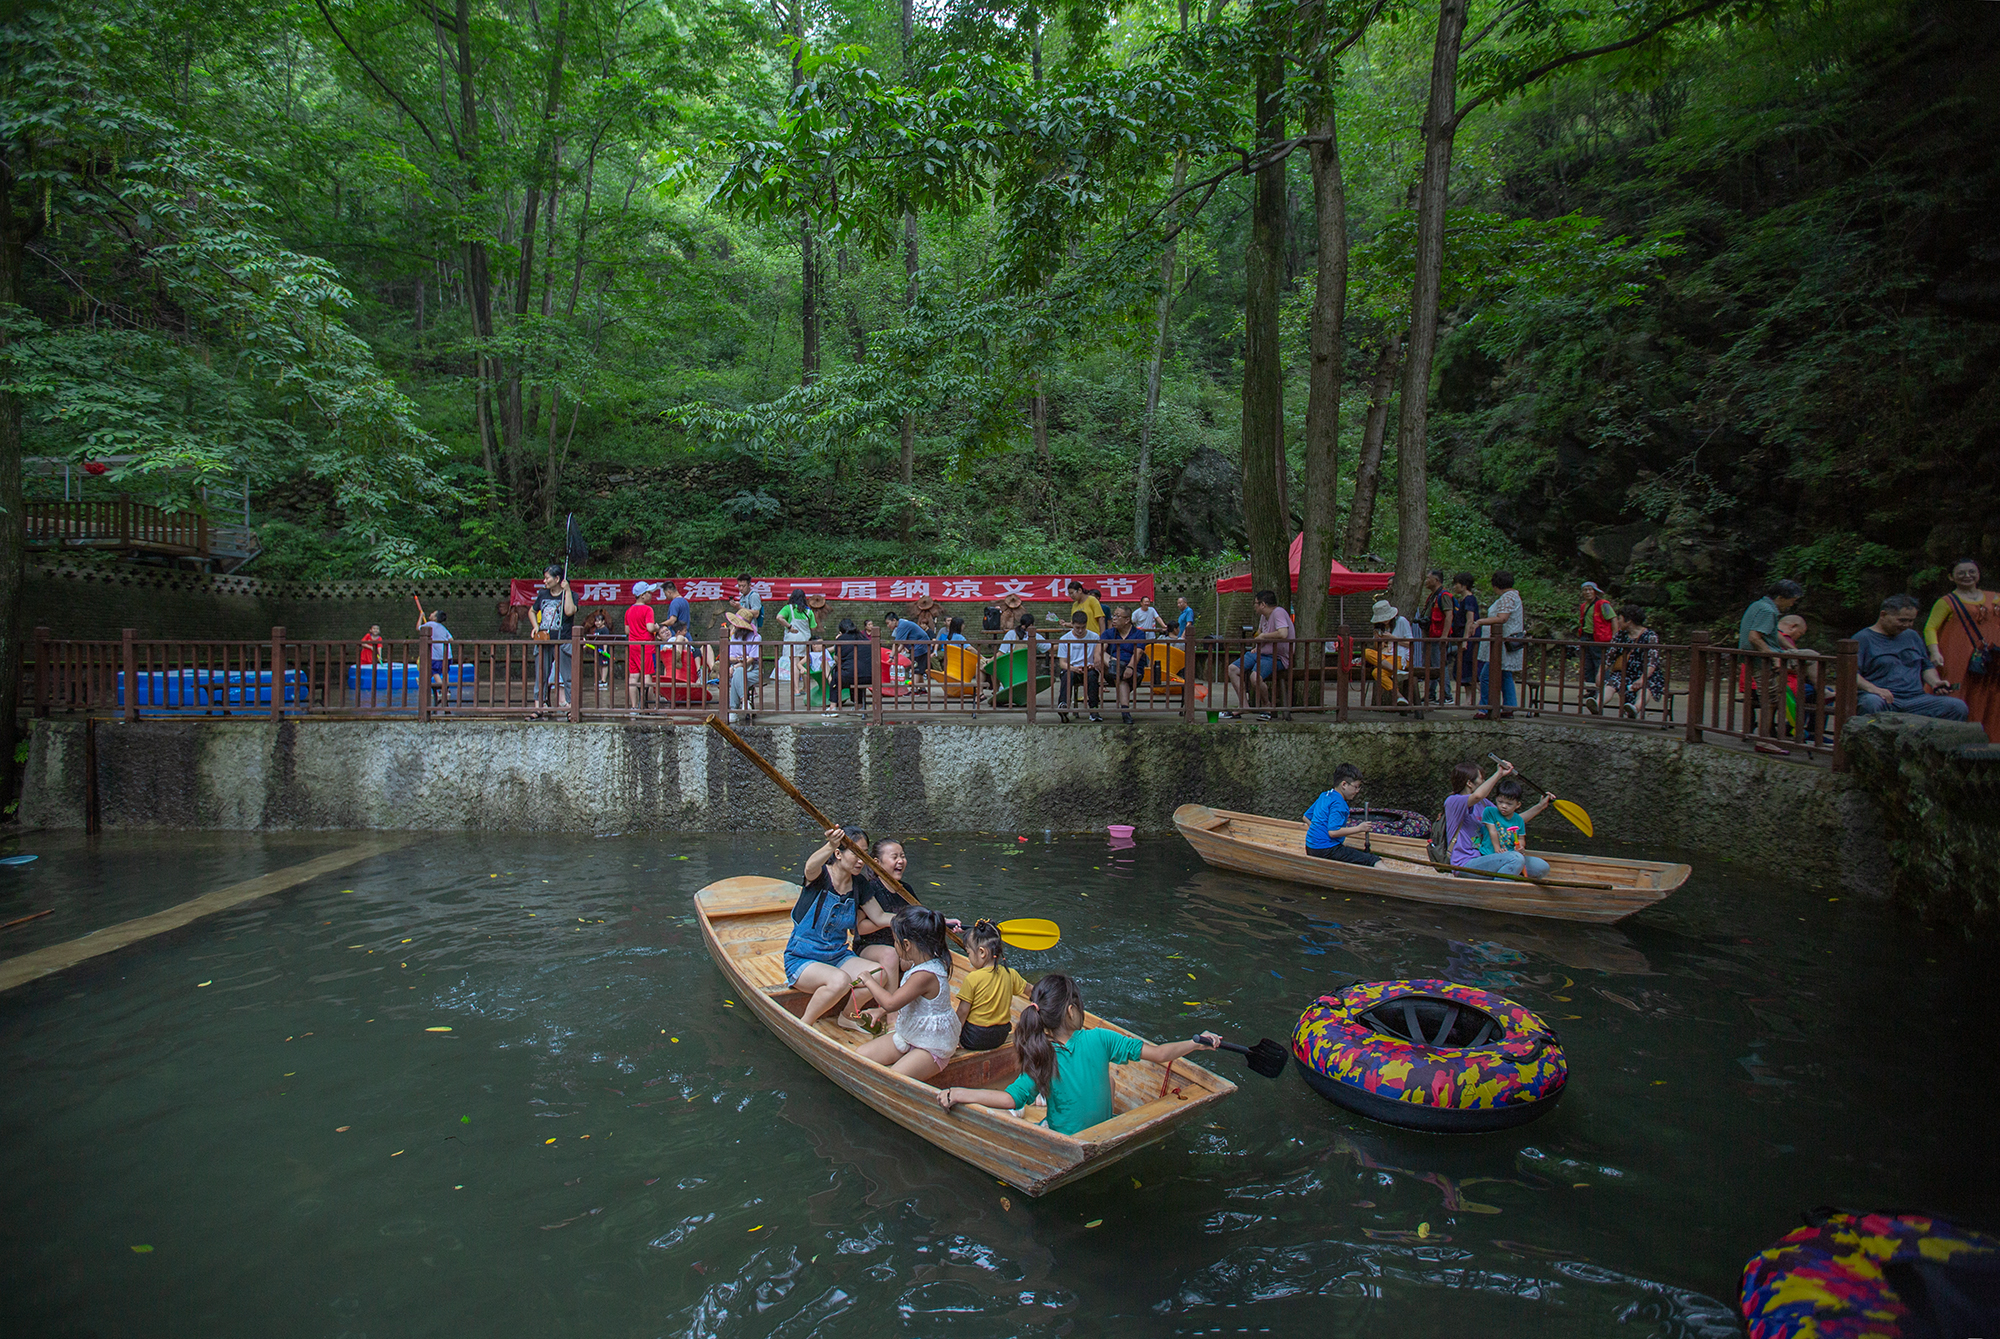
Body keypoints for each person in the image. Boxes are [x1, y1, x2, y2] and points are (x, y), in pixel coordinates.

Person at [936, 974, 1221, 1136]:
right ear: (1072, 1010)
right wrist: (1195, 1043)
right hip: (1105, 1131)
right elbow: (1159, 1054)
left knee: (1021, 1107)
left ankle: (1038, 1101)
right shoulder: (1101, 1037)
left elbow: (1008, 1098)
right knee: (1108, 1080)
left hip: (1066, 1137)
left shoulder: (1042, 1055)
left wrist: (960, 1092)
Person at [849, 907, 960, 1079]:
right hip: (911, 1034)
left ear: (907, 944)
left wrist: (869, 981)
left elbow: (891, 1003)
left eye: (895, 941)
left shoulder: (925, 975)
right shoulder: (922, 961)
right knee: (859, 1056)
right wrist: (880, 1011)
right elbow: (905, 999)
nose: (894, 945)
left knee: (893, 1079)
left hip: (932, 1045)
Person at [786, 827, 881, 1027]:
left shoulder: (859, 884)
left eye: (864, 854)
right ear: (838, 854)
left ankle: (847, 1016)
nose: (861, 860)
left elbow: (879, 916)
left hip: (837, 956)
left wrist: (912, 918)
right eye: (856, 853)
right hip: (803, 958)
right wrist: (830, 844)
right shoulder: (820, 875)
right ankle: (805, 1024)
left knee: (878, 975)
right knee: (839, 980)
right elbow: (809, 867)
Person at [1854, 594, 1969, 722]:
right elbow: (1851, 674)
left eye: (1911, 621)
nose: (1907, 625)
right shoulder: (1863, 639)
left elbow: (1926, 666)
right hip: (1882, 697)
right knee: (1871, 702)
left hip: (1915, 698)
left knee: (1957, 707)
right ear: (1883, 615)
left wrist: (1935, 682)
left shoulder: (1912, 636)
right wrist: (1875, 690)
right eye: (1902, 620)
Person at [1924, 557, 1999, 739]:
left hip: (1992, 656)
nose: (1967, 576)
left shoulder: (1995, 597)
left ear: (1979, 574)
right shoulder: (1947, 601)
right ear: (1951, 577)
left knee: (1992, 692)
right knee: (1960, 690)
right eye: (1961, 573)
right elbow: (1930, 627)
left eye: (1972, 572)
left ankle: (1992, 737)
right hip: (1958, 655)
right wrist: (1934, 651)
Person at [849, 838, 912, 1026]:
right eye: (894, 857)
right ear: (877, 863)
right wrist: (890, 921)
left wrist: (945, 922)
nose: (900, 860)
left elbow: (919, 916)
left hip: (898, 946)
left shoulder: (905, 889)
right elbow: (858, 928)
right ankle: (892, 1016)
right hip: (869, 947)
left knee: (926, 950)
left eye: (902, 856)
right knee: (890, 954)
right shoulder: (870, 889)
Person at [955, 920, 1031, 1052]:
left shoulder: (972, 978)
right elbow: (1032, 991)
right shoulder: (1010, 974)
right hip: (1000, 1036)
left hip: (974, 1038)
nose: (969, 957)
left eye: (969, 953)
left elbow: (962, 1012)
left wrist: (954, 1036)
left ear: (982, 952)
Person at [1441, 758, 1519, 877]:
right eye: (1482, 778)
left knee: (1540, 867)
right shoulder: (1453, 801)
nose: (1484, 781)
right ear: (1469, 783)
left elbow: (1512, 821)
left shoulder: (1483, 804)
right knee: (1514, 858)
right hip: (1464, 863)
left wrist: (1540, 806)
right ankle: (1497, 892)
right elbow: (1477, 795)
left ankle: (1497, 884)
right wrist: (1498, 774)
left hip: (1485, 858)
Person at [1223, 589, 1293, 720]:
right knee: (1233, 669)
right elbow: (1260, 632)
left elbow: (1283, 633)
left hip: (1276, 656)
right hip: (1261, 652)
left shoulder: (1278, 612)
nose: (1254, 606)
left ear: (1263, 604)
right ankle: (1244, 705)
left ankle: (1267, 706)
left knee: (1255, 678)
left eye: (1256, 603)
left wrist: (1264, 636)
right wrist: (1257, 645)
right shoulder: (1263, 617)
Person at [1302, 762, 1383, 867]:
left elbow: (1306, 817)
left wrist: (1317, 832)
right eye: (1356, 787)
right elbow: (1333, 832)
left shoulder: (1325, 795)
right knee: (1373, 859)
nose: (1357, 791)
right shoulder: (1339, 803)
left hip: (1310, 847)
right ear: (1344, 784)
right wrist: (1359, 828)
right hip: (1326, 850)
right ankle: (1393, 879)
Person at [1474, 776, 1554, 879]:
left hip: (1511, 857)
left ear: (1518, 805)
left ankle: (1510, 876)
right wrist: (1497, 849)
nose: (1504, 806)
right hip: (1490, 855)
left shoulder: (1519, 820)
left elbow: (1521, 838)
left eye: (1509, 804)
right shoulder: (1490, 811)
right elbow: (1492, 831)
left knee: (1542, 866)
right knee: (1515, 860)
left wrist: (1520, 847)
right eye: (1500, 802)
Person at [1469, 570, 1523, 719]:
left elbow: (1502, 618)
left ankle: (1485, 707)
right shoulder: (1513, 596)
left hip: (1502, 645)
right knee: (1505, 675)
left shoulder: (1508, 597)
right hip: (1504, 644)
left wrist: (1479, 622)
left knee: (1486, 676)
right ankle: (1509, 706)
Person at [1599, 604, 1664, 719]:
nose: (1618, 621)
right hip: (1626, 671)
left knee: (1646, 687)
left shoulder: (1650, 636)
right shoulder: (1621, 635)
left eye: (1620, 618)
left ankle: (1635, 708)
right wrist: (1600, 673)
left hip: (1646, 673)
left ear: (1628, 621)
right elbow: (1609, 656)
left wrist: (1642, 678)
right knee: (1612, 682)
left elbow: (1652, 661)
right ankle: (1598, 703)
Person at [530, 565, 577, 712]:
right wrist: (535, 626)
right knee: (541, 674)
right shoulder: (543, 594)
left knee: (567, 675)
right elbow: (532, 611)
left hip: (563, 639)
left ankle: (571, 706)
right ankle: (539, 705)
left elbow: (569, 611)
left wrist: (567, 590)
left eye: (547, 578)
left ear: (557, 579)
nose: (545, 581)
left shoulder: (571, 595)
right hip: (544, 640)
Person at [1098, 606, 1147, 724]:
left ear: (1127, 620)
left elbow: (1138, 652)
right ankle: (1125, 712)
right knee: (1116, 671)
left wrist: (1130, 667)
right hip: (1112, 668)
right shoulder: (1108, 633)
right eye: (1114, 615)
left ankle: (1125, 711)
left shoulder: (1139, 634)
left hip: (1133, 669)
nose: (1113, 619)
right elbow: (1101, 650)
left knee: (1121, 677)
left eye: (1117, 616)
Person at [1363, 598, 1414, 707]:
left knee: (1376, 672)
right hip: (1384, 656)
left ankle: (1397, 689)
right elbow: (1377, 649)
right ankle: (1399, 693)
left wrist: (1393, 638)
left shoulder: (1401, 621)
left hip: (1399, 655)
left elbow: (1410, 643)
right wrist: (1378, 640)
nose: (1385, 620)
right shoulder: (1379, 627)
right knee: (1367, 652)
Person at [1055, 610, 1101, 722]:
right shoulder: (1065, 639)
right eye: (1077, 628)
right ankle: (1063, 706)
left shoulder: (1094, 637)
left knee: (1092, 676)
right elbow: (1062, 663)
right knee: (1067, 675)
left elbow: (1097, 657)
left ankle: (1094, 709)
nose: (1080, 631)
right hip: (1072, 668)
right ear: (1072, 624)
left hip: (1088, 669)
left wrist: (1092, 665)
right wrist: (1074, 668)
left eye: (1083, 627)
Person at [1738, 579, 1805, 655]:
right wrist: (1773, 657)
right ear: (1780, 598)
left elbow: (1775, 633)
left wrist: (1793, 649)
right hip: (1760, 658)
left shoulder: (1757, 605)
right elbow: (1754, 637)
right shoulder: (1768, 611)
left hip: (1753, 655)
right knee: (1812, 655)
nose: (1791, 604)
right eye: (1791, 601)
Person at [723, 599, 762, 725]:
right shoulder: (734, 636)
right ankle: (744, 702)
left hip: (753, 671)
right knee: (738, 673)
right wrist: (739, 661)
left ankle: (733, 710)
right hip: (736, 668)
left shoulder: (756, 637)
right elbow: (729, 657)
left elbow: (751, 659)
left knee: (737, 673)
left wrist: (736, 666)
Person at [1577, 582, 1617, 703]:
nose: (1587, 592)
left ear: (1595, 591)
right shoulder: (1584, 606)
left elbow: (1613, 619)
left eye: (1590, 589)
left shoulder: (1603, 604)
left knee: (1600, 664)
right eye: (1585, 590)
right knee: (1587, 665)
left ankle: (1603, 690)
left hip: (1599, 639)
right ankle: (1591, 690)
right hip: (1586, 637)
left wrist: (1615, 638)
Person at [1418, 571, 1451, 704]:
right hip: (1429, 636)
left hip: (1437, 637)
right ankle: (1430, 694)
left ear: (1436, 580)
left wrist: (1444, 636)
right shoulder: (1432, 596)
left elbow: (1449, 615)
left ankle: (1447, 695)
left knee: (1440, 665)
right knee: (1430, 666)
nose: (1426, 581)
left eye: (1428, 578)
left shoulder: (1444, 596)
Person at [625, 583, 660, 708]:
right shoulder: (648, 609)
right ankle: (650, 706)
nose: (651, 595)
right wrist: (657, 627)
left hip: (633, 646)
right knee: (647, 676)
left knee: (633, 677)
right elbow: (650, 627)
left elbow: (627, 630)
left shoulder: (629, 611)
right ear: (642, 596)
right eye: (648, 593)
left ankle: (634, 707)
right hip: (646, 646)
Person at [1448, 573, 1480, 704]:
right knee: (1464, 670)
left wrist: (1465, 639)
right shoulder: (1464, 600)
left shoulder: (1469, 600)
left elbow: (1470, 620)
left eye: (1457, 584)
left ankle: (1483, 695)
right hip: (1463, 637)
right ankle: (1469, 699)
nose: (1455, 586)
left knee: (1469, 669)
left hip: (1469, 639)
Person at [831, 618, 873, 716]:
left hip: (850, 675)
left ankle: (832, 708)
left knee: (836, 677)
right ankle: (858, 707)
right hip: (870, 675)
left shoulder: (841, 639)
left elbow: (837, 659)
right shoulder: (863, 637)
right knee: (856, 674)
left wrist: (838, 640)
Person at [775, 589, 816, 687]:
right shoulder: (808, 611)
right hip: (805, 640)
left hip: (792, 639)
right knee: (804, 664)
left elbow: (779, 617)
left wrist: (789, 627)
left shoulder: (788, 608)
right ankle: (806, 688)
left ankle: (796, 689)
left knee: (795, 664)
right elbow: (813, 627)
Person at [418, 608, 452, 705]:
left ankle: (442, 690)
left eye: (433, 613)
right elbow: (451, 639)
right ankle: (447, 689)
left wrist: (420, 617)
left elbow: (418, 628)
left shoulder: (429, 624)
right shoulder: (443, 628)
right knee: (445, 671)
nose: (431, 613)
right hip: (447, 654)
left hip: (437, 655)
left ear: (435, 617)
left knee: (435, 671)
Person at [891, 609, 932, 682]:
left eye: (888, 623)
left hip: (920, 647)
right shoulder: (903, 624)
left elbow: (896, 643)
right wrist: (894, 653)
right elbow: (901, 644)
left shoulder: (902, 626)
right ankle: (922, 689)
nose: (888, 626)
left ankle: (914, 690)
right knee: (919, 670)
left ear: (894, 620)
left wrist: (891, 656)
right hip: (922, 647)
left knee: (915, 669)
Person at [581, 609, 616, 690]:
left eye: (599, 621)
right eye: (596, 621)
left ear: (603, 621)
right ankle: (601, 679)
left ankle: (604, 681)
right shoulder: (596, 630)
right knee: (600, 664)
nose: (597, 623)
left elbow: (605, 641)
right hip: (597, 651)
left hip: (604, 651)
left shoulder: (605, 630)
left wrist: (604, 650)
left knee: (604, 665)